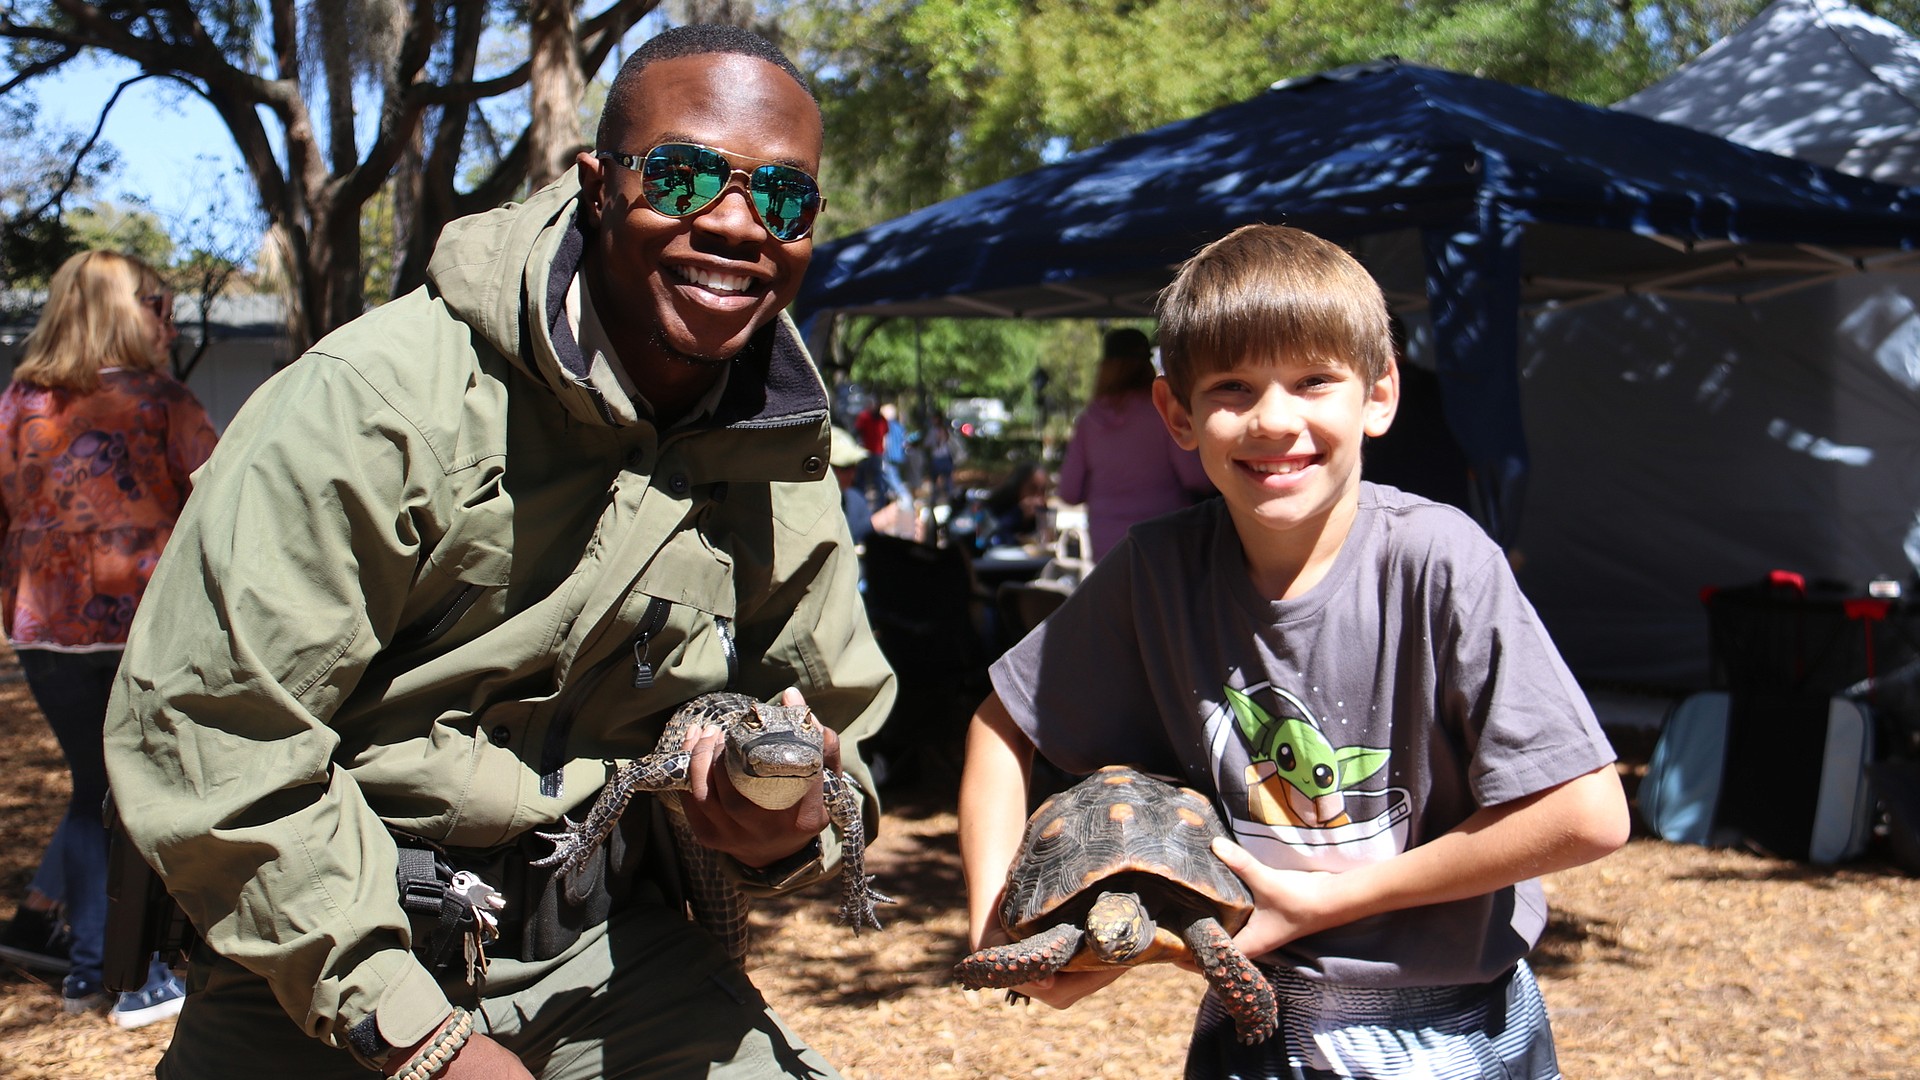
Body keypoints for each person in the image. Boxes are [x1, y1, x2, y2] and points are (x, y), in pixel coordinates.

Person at [103, 24, 894, 1080]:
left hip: (605, 957)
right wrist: (418, 1038)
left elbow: (834, 729)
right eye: (685, 177)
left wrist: (792, 826)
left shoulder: (776, 447)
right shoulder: (378, 403)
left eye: (784, 199)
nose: (740, 225)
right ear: (600, 186)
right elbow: (212, 731)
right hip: (326, 962)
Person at [958, 224, 1629, 1079]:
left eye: (1314, 380)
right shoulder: (1156, 573)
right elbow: (998, 727)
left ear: (1379, 394)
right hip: (1254, 1024)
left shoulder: (1438, 560)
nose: (1275, 420)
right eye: (1233, 387)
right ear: (1178, 413)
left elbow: (1588, 812)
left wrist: (1323, 903)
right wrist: (1001, 923)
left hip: (1459, 1026)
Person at [0, 250, 216, 1028]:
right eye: (155, 300)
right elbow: (224, 496)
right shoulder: (160, 401)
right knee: (122, 792)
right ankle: (118, 974)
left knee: (97, 782)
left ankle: (51, 935)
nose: (166, 314)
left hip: (44, 635)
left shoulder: (21, 404)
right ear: (125, 311)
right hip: (138, 632)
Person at [1056, 326, 1214, 561]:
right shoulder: (1162, 415)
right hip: (1165, 544)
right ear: (1146, 364)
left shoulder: (1089, 421)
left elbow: (1068, 492)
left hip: (1108, 553)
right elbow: (1195, 477)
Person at [975, 461, 1050, 551]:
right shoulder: (995, 507)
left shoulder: (1041, 512)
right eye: (1032, 489)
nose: (1038, 498)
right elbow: (990, 540)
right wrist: (1017, 515)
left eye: (1042, 490)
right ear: (1017, 486)